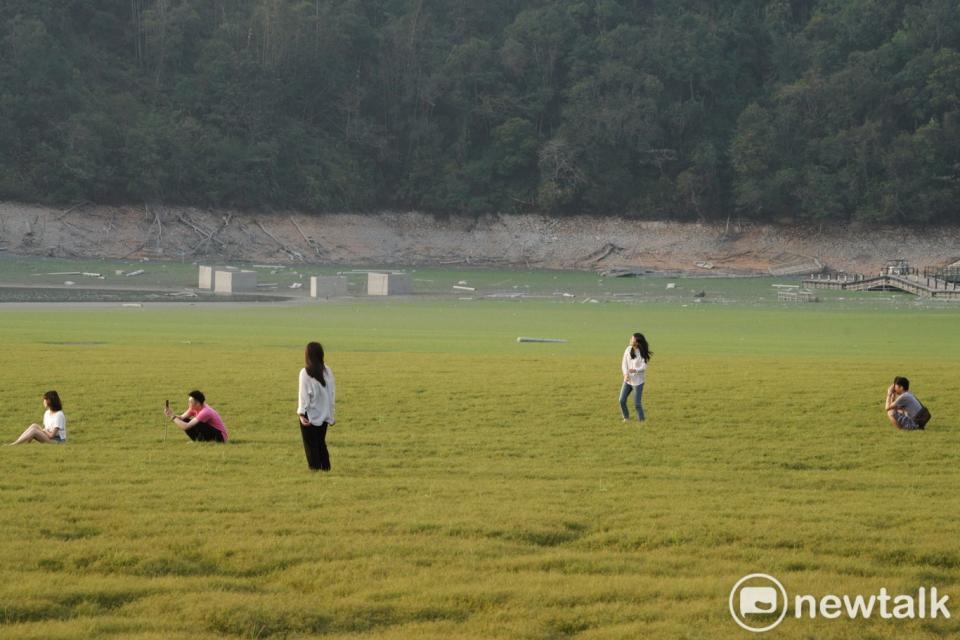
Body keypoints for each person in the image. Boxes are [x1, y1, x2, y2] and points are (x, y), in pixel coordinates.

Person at [298, 341, 336, 471]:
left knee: (310, 445)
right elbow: (331, 393)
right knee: (320, 443)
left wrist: (301, 414)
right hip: (324, 415)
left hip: (310, 415)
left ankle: (314, 469)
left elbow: (303, 396)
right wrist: (331, 415)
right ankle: (326, 468)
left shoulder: (305, 372)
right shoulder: (328, 371)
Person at [163, 390, 229, 442]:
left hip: (220, 437)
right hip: (211, 432)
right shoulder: (193, 408)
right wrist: (170, 414)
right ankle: (198, 441)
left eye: (190, 402)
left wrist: (173, 417)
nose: (188, 404)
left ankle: (205, 441)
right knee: (185, 420)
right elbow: (181, 418)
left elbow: (186, 426)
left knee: (198, 423)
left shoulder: (205, 412)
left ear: (197, 403)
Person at [619, 333, 652, 422]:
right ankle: (626, 418)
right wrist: (625, 374)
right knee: (621, 400)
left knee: (637, 404)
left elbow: (644, 367)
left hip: (638, 382)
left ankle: (642, 421)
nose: (630, 339)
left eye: (632, 339)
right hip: (628, 380)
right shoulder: (628, 349)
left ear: (637, 342)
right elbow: (624, 363)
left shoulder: (642, 353)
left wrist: (636, 370)